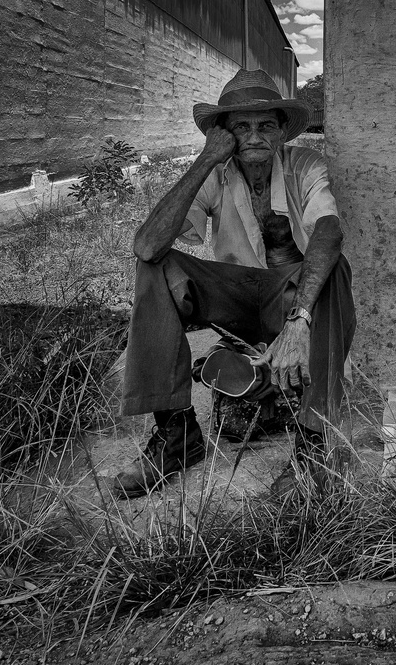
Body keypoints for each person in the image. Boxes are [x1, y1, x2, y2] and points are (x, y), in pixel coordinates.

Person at [113, 68, 355, 499]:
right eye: (241, 127)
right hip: (237, 299)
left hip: (293, 301)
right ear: (224, 135)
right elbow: (147, 246)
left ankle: (312, 451)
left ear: (282, 131)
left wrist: (300, 321)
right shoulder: (215, 171)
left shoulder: (305, 166)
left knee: (334, 265)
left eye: (265, 125)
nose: (255, 136)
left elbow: (329, 230)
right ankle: (175, 435)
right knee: (155, 266)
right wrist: (206, 158)